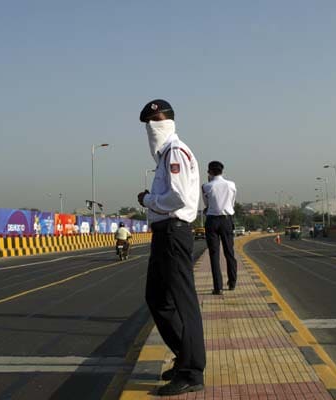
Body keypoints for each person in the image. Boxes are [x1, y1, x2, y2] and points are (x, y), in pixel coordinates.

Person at [137, 99, 205, 396]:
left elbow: (177, 197)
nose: (151, 128)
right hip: (164, 233)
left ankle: (191, 371)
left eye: (155, 122)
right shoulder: (166, 155)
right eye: (148, 124)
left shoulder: (175, 151)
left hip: (174, 231)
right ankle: (184, 356)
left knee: (181, 302)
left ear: (166, 123)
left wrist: (148, 200)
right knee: (157, 298)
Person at [202, 161, 238, 294]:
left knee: (214, 254)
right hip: (226, 220)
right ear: (222, 171)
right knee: (229, 252)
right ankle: (232, 282)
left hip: (212, 220)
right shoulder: (231, 185)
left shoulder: (206, 186)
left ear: (210, 172)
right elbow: (232, 203)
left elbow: (206, 204)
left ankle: (218, 287)